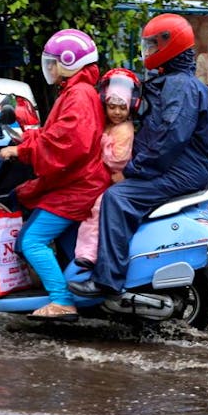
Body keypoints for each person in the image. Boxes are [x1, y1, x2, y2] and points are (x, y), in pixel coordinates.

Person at [68, 13, 208, 299]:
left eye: (152, 45)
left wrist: (134, 170)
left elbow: (170, 137)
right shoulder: (169, 81)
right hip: (177, 166)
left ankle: (107, 282)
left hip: (181, 170)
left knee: (117, 198)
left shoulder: (181, 86)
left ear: (169, 46)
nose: (148, 51)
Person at [0, 28, 109, 322]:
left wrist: (22, 151)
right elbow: (57, 134)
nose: (50, 67)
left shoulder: (80, 95)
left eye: (54, 61)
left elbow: (67, 144)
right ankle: (71, 291)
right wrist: (29, 137)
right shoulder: (75, 91)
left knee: (30, 241)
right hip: (77, 180)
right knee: (68, 246)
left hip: (77, 186)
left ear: (70, 61)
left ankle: (61, 301)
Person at [73, 68, 141, 269]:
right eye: (112, 106)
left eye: (122, 107)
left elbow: (116, 160)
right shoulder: (107, 124)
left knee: (97, 210)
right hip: (101, 176)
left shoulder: (124, 129)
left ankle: (89, 255)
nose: (117, 112)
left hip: (111, 179)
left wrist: (101, 143)